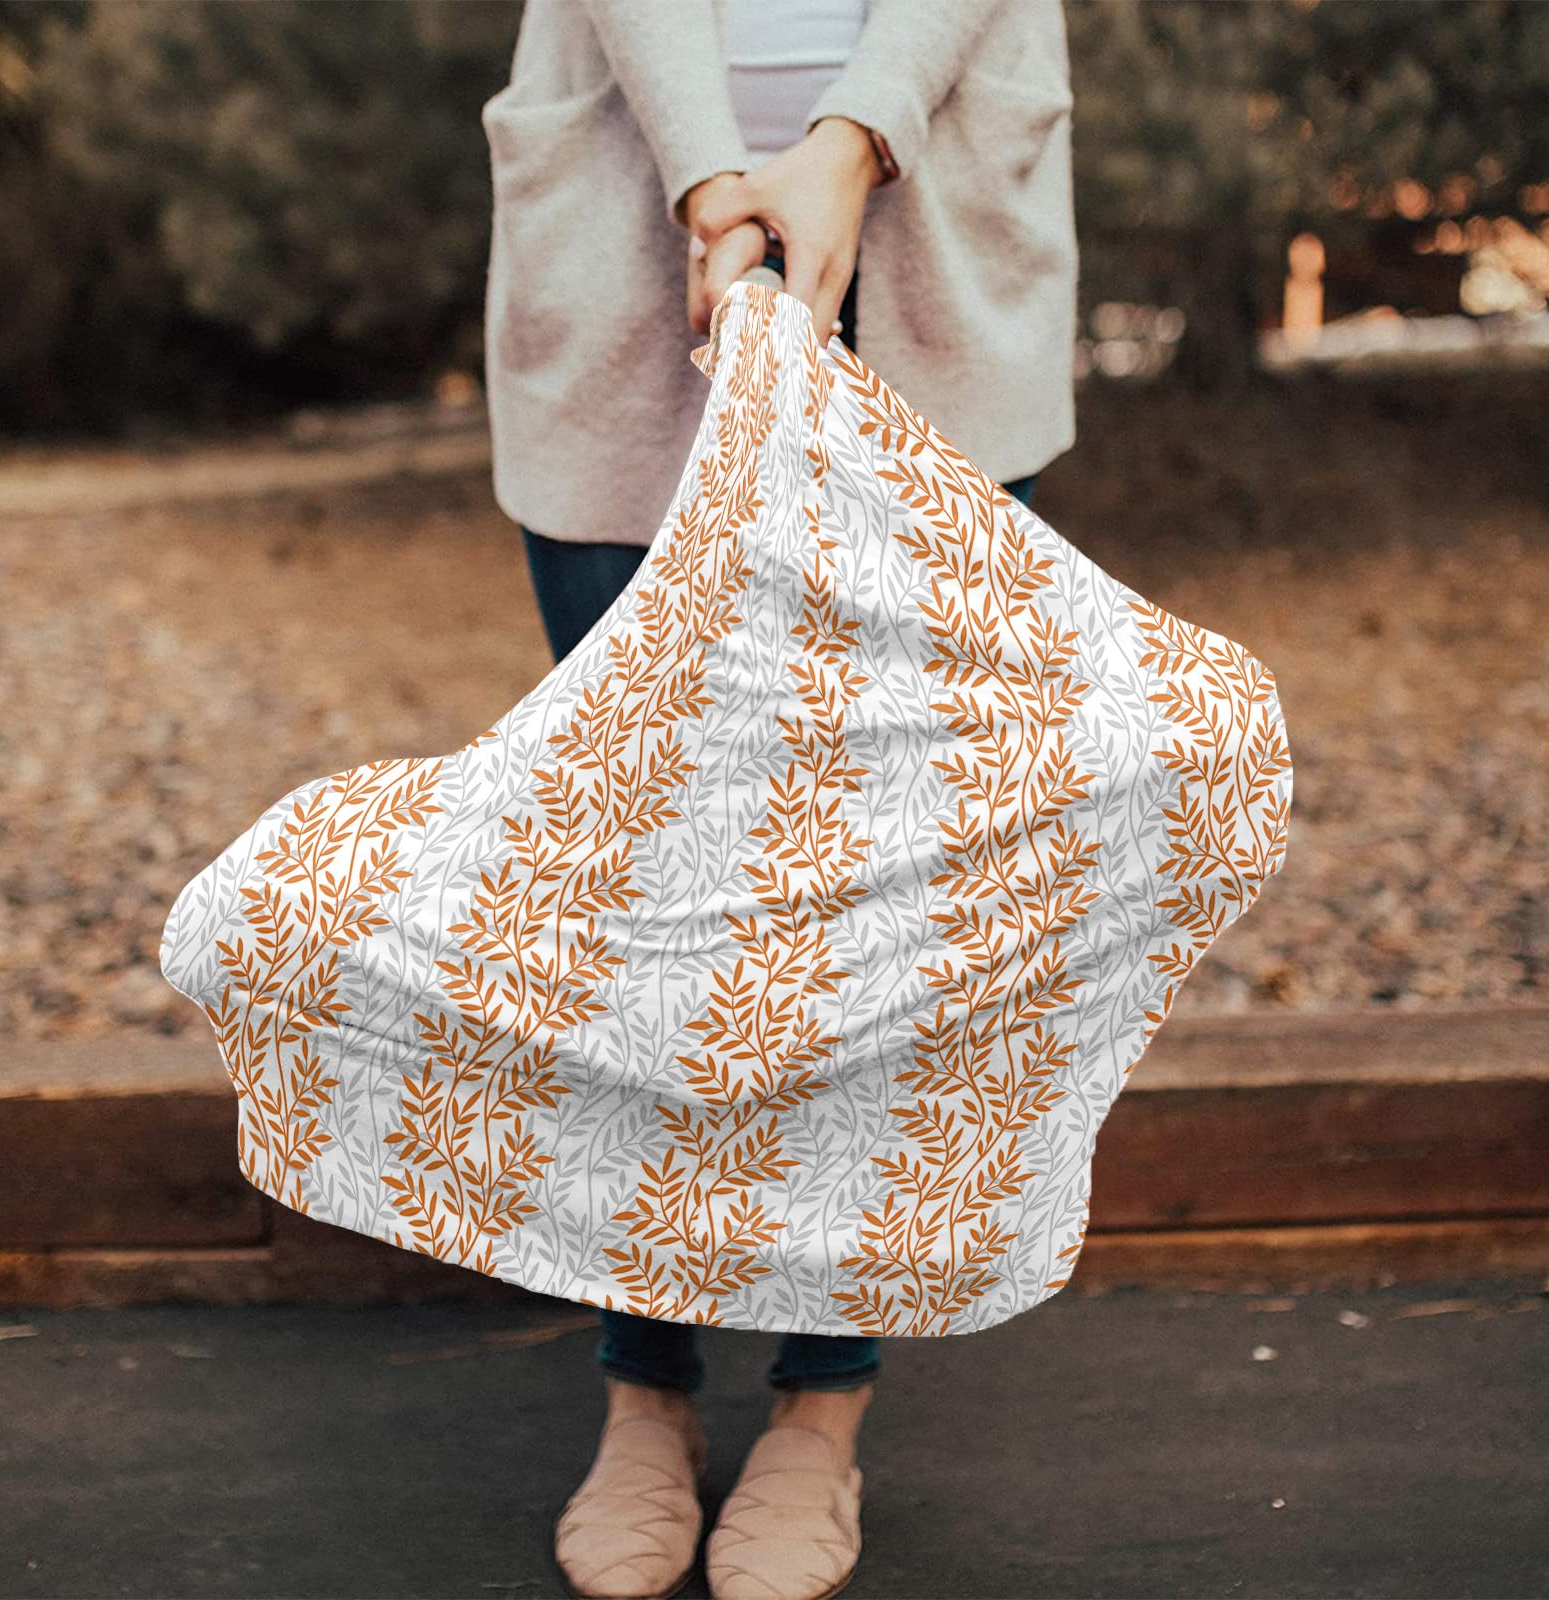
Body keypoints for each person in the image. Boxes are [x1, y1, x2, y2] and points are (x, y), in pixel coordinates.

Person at [480, 3, 1077, 1596]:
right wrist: (707, 179)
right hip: (631, 226)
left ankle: (823, 1404)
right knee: (644, 877)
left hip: (931, 222)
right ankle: (645, 1388)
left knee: (875, 887)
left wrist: (850, 137)